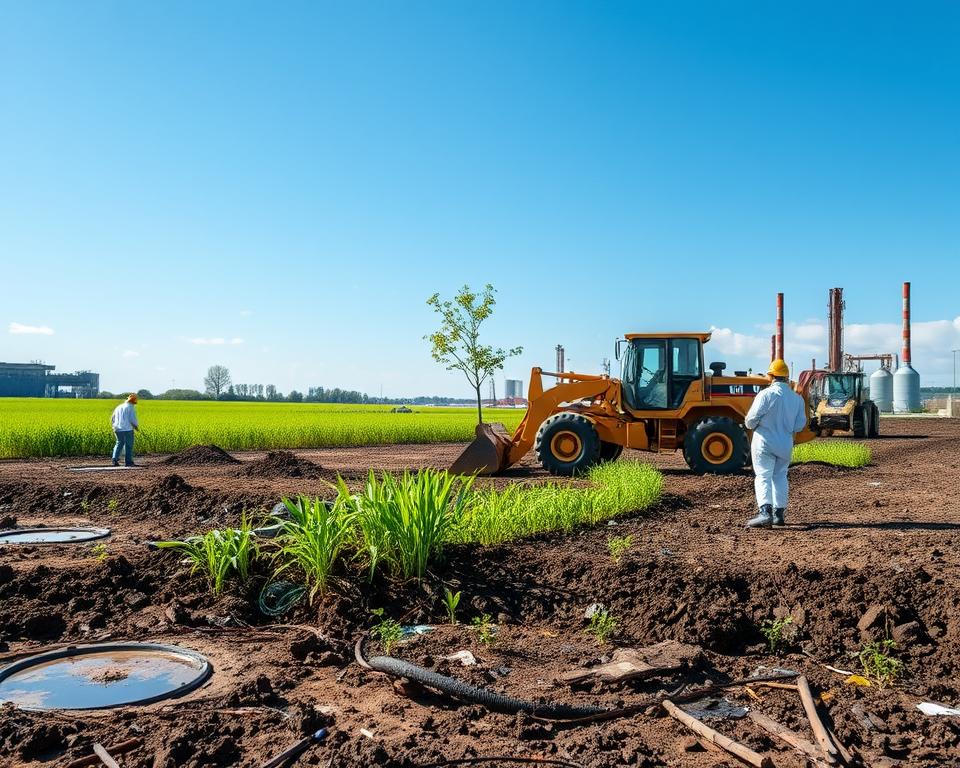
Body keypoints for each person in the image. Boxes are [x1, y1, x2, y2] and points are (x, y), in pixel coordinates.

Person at [744, 359, 807, 529]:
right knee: (780, 476)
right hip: (785, 444)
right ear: (786, 377)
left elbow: (750, 421)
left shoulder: (765, 395)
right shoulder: (797, 400)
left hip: (764, 442)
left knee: (763, 476)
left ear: (771, 376)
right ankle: (779, 515)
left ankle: (765, 513)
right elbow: (799, 426)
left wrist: (758, 423)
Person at [111, 394, 140, 467]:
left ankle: (114, 458)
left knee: (119, 443)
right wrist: (136, 427)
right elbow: (132, 419)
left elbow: (112, 417)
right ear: (133, 402)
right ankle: (128, 462)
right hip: (127, 429)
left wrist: (114, 426)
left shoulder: (119, 407)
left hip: (117, 428)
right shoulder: (130, 407)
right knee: (129, 445)